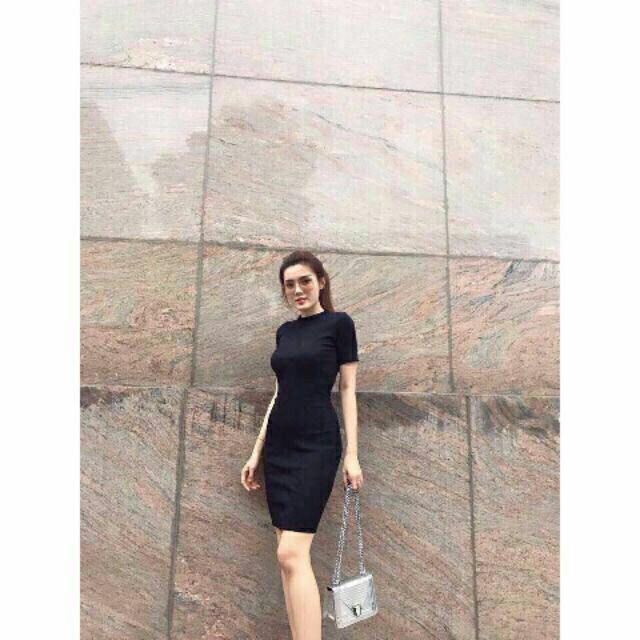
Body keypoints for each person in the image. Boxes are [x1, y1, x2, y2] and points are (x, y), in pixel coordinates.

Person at [240, 249, 363, 639]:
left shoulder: (339, 325)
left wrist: (352, 454)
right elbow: (279, 393)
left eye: (305, 281)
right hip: (279, 447)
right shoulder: (285, 332)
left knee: (290, 553)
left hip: (316, 445)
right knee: (288, 561)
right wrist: (257, 451)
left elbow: (348, 390)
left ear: (321, 282)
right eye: (289, 284)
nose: (298, 290)